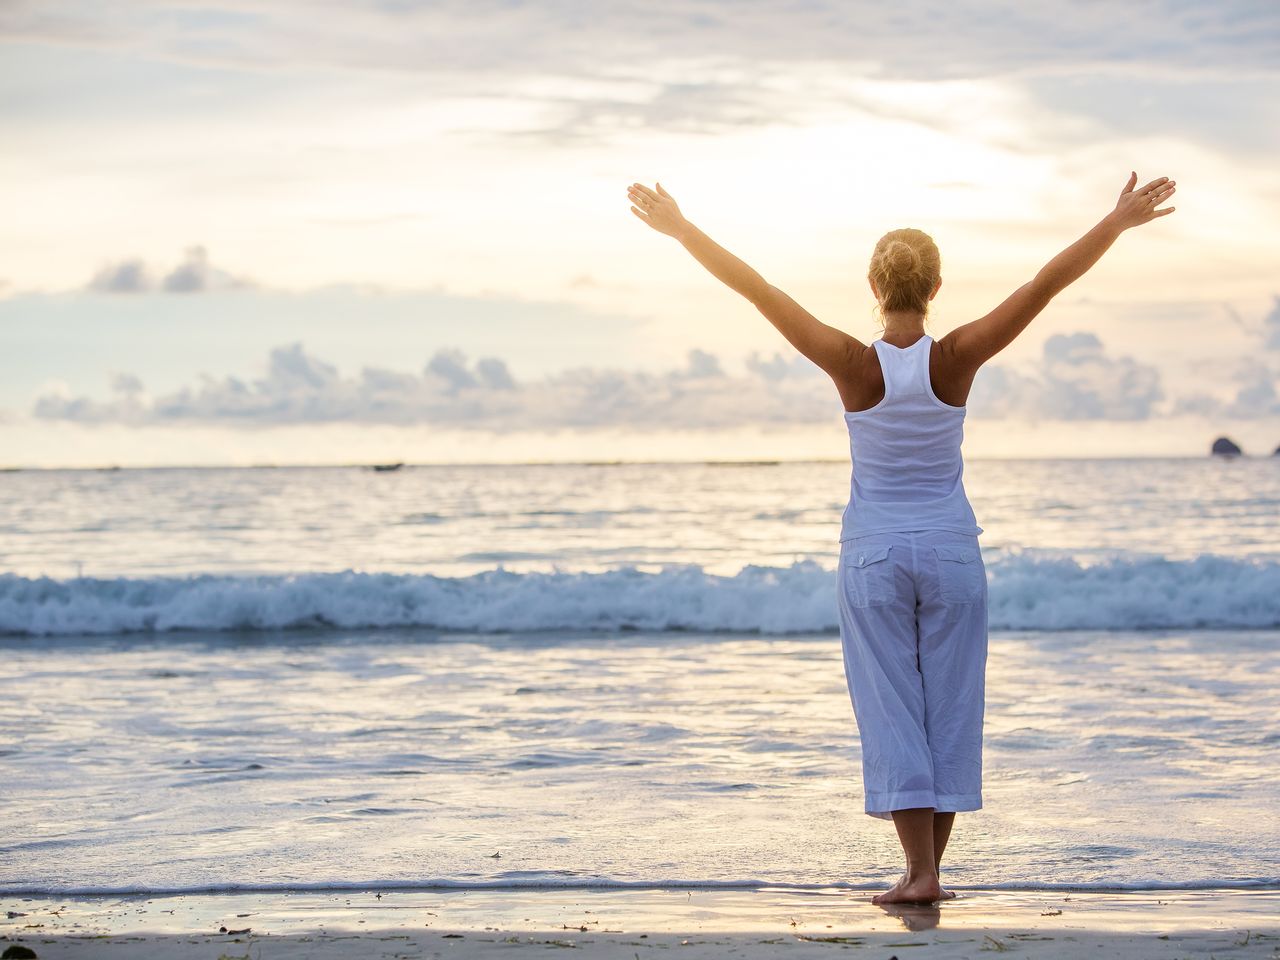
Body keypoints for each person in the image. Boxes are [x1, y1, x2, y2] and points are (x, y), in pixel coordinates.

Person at [625, 173, 1177, 904]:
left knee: (893, 709)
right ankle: (928, 874)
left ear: (872, 285)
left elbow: (758, 290)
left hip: (874, 556)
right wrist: (1115, 222)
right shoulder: (956, 358)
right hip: (950, 551)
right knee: (948, 708)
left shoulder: (854, 364)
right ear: (937, 284)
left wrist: (681, 227)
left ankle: (919, 874)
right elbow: (1044, 284)